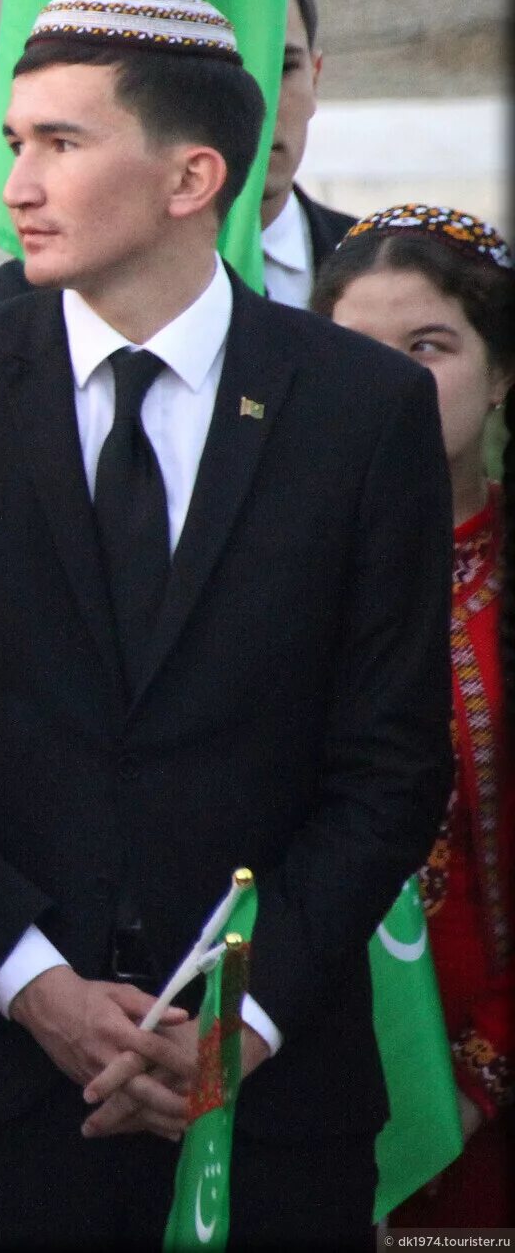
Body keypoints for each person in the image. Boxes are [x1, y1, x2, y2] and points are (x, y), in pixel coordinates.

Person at [0, 0, 454, 1249]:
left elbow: (390, 764)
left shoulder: (362, 411)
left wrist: (242, 1018)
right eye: (16, 143)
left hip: (272, 1117)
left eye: (62, 143)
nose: (21, 182)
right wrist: (36, 985)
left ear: (192, 176)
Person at [312, 203, 514, 1231]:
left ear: (502, 369)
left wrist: (476, 1076)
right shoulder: (268, 576)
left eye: (429, 347)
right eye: (354, 351)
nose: (391, 382)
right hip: (301, 1072)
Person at [0, 0, 354, 312]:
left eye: (283, 68)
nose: (259, 103)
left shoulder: (383, 262)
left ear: (316, 75)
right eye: (18, 146)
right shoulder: (13, 308)